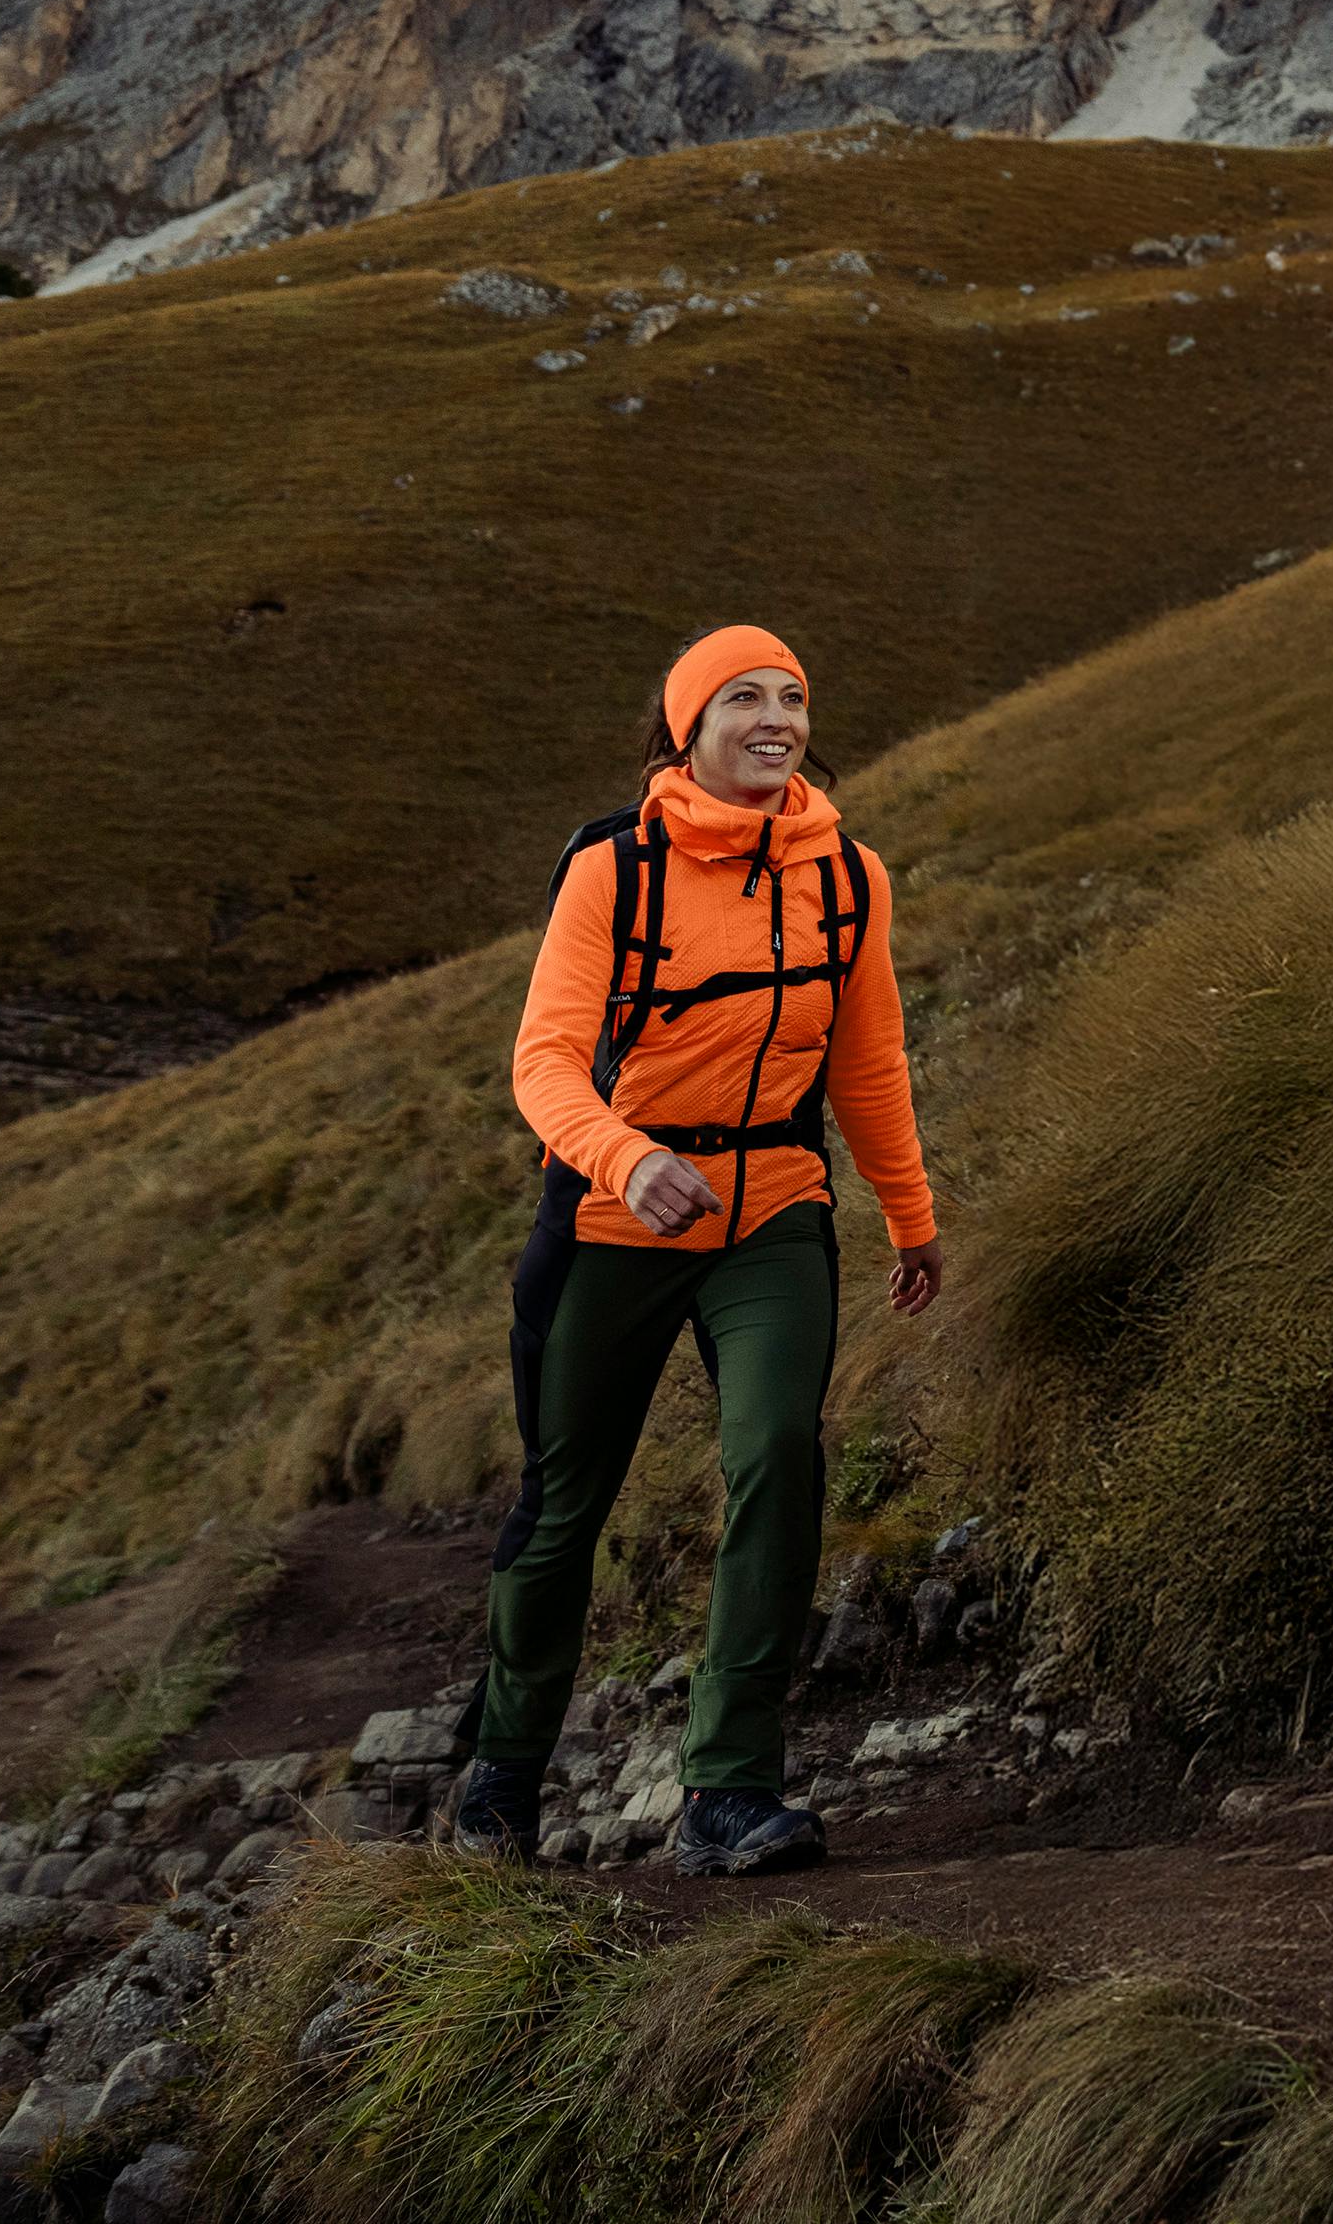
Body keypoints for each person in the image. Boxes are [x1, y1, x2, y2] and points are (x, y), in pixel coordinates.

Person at [451, 622, 942, 1877]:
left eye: (792, 697)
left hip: (774, 1206)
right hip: (614, 1219)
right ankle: (502, 1775)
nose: (774, 716)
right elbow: (545, 1061)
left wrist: (910, 1213)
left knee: (777, 1451)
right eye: (742, 698)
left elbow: (868, 1062)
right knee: (567, 1501)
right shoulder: (614, 870)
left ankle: (729, 1790)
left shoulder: (848, 877)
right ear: (688, 726)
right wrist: (627, 1158)